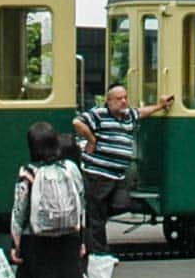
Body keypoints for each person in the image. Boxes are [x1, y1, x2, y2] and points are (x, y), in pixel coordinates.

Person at [12, 122, 101, 278]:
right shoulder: (70, 168)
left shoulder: (28, 171)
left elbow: (19, 209)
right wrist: (82, 239)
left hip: (38, 237)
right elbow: (81, 203)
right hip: (69, 234)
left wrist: (16, 244)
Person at [73, 82, 174, 258]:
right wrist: (91, 139)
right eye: (119, 98)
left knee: (120, 204)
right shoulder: (99, 114)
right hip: (98, 173)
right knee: (96, 214)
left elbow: (142, 112)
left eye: (125, 98)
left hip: (118, 175)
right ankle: (98, 251)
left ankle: (94, 241)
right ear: (109, 101)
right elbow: (77, 122)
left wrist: (160, 106)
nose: (124, 101)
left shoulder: (128, 115)